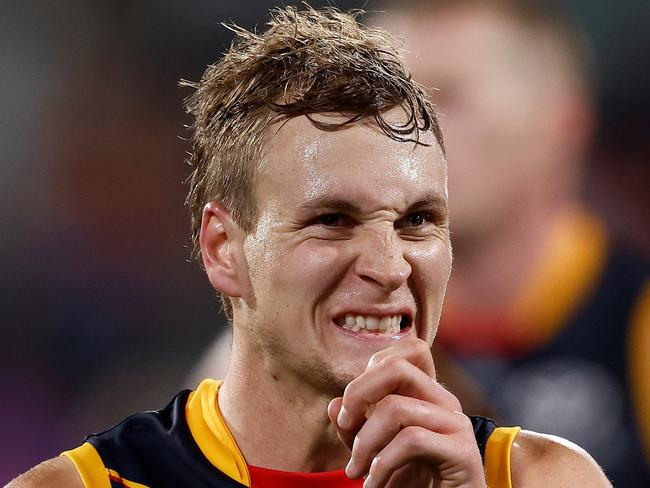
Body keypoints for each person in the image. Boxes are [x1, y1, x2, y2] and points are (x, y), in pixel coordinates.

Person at [7, 6, 612, 488]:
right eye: (331, 220)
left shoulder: (537, 478)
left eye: (418, 220)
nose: (389, 266)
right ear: (223, 248)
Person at [371, 0, 650, 485]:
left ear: (563, 124)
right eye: (381, 104)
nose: (400, 132)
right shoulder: (332, 334)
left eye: (448, 99)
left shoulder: (636, 318)